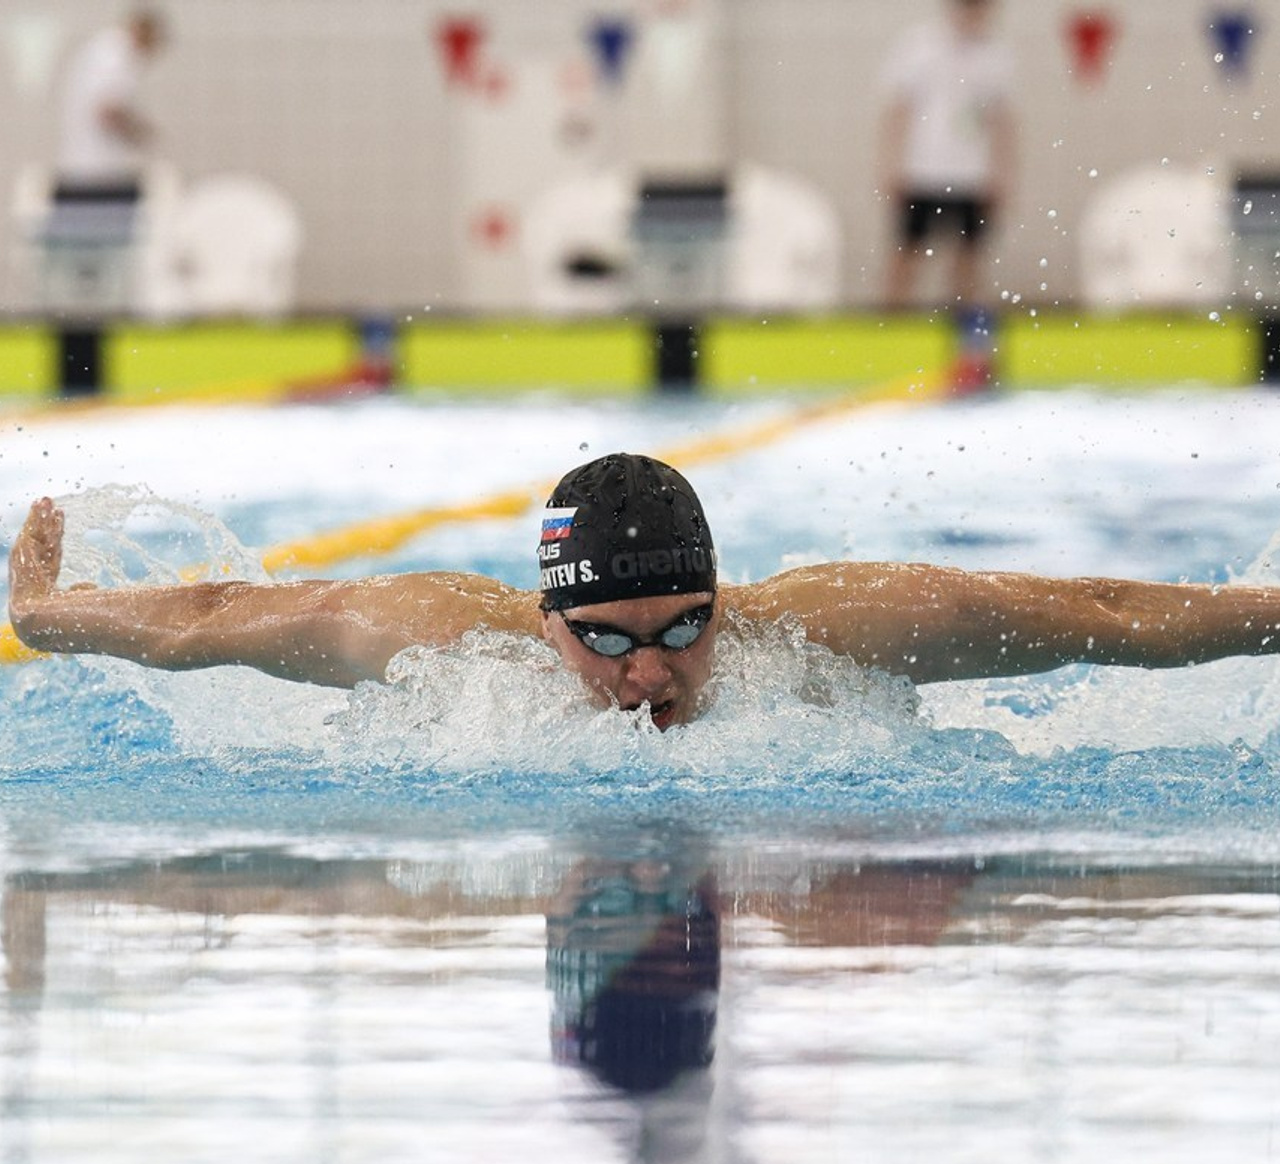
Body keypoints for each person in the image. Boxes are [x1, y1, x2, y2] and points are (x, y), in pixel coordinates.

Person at [11, 453, 1280, 732]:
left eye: (684, 629)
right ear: (543, 615)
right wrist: (51, 619)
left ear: (725, 595)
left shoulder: (837, 626)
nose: (650, 676)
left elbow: (1103, 617)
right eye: (606, 643)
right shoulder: (444, 644)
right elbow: (215, 619)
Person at [877, 0, 1016, 308]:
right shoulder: (918, 46)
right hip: (921, 171)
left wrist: (1002, 176)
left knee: (968, 262)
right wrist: (890, 167)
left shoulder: (997, 54)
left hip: (973, 176)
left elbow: (1002, 122)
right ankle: (888, 333)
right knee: (905, 258)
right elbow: (898, 111)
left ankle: (964, 341)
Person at [56, 8, 167, 193]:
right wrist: (139, 132)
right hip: (96, 172)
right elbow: (108, 112)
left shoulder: (104, 49)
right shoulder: (116, 55)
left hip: (86, 167)